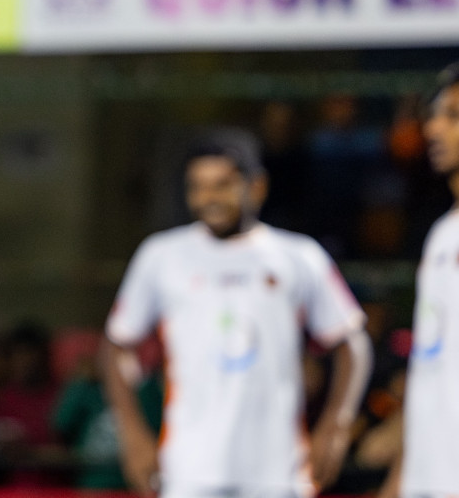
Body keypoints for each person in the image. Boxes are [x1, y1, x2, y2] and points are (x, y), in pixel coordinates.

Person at [102, 130, 373, 498]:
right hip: (188, 470)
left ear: (257, 186)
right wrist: (132, 434)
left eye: (222, 185)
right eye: (197, 187)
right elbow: (117, 344)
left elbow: (352, 342)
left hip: (278, 470)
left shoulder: (298, 255)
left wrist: (337, 424)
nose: (208, 198)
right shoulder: (161, 256)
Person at [380, 63, 459, 498]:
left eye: (452, 116)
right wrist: (402, 476)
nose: (433, 128)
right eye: (434, 115)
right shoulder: (441, 234)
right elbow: (434, 367)